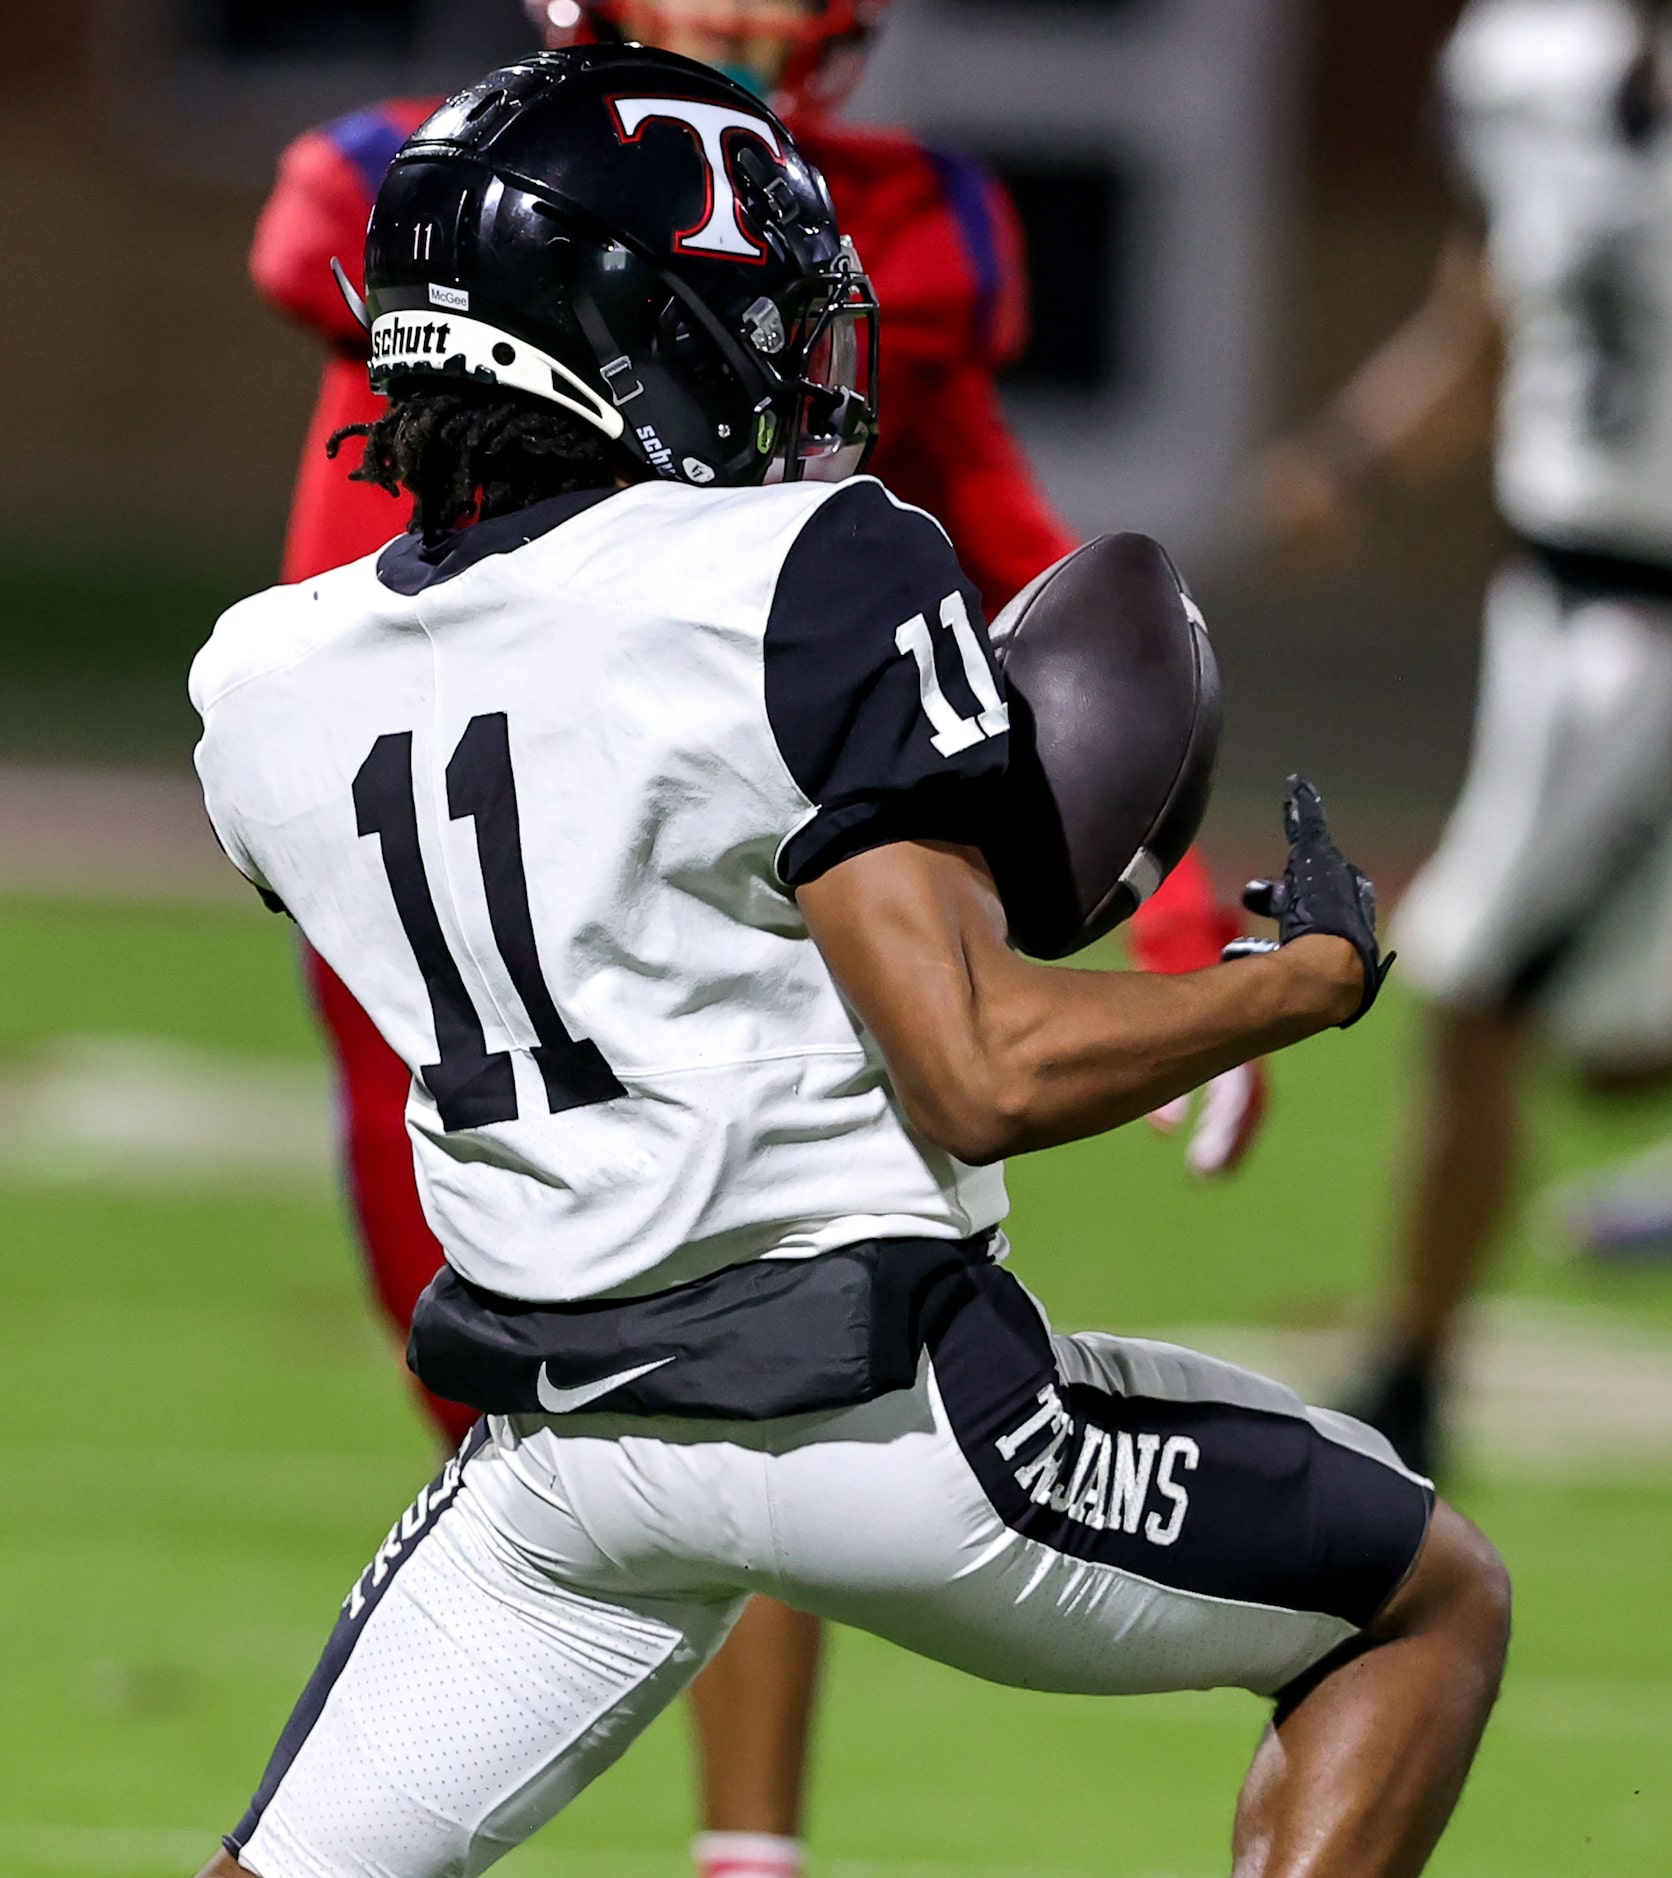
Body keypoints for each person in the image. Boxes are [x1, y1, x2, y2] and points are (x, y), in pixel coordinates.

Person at [190, 48, 1508, 1878]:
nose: (789, 359)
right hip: (889, 1422)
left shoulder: (262, 684)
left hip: (555, 1459)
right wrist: (1297, 985)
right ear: (636, 328)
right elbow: (981, 1069)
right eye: (751, 312)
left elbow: (604, 874)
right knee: (1431, 1600)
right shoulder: (798, 570)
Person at [1257, 0, 1672, 1476]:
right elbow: (1482, 307)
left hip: (1656, 638)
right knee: (1606, 1045)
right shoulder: (1521, 64)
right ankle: (1416, 1359)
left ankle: (1412, 1370)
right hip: (1548, 608)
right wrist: (1358, 459)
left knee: (1480, 982)